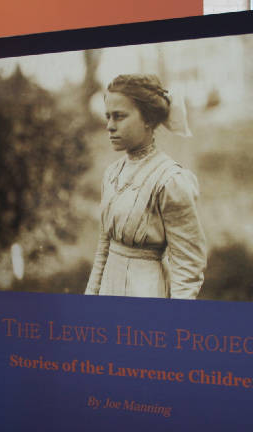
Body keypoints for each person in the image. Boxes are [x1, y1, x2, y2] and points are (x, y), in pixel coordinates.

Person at [85, 74, 207, 299]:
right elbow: (103, 248)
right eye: (108, 117)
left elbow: (188, 266)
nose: (110, 126)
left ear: (148, 120)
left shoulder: (170, 179)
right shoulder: (112, 173)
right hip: (108, 289)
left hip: (146, 292)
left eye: (119, 117)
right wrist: (90, 298)